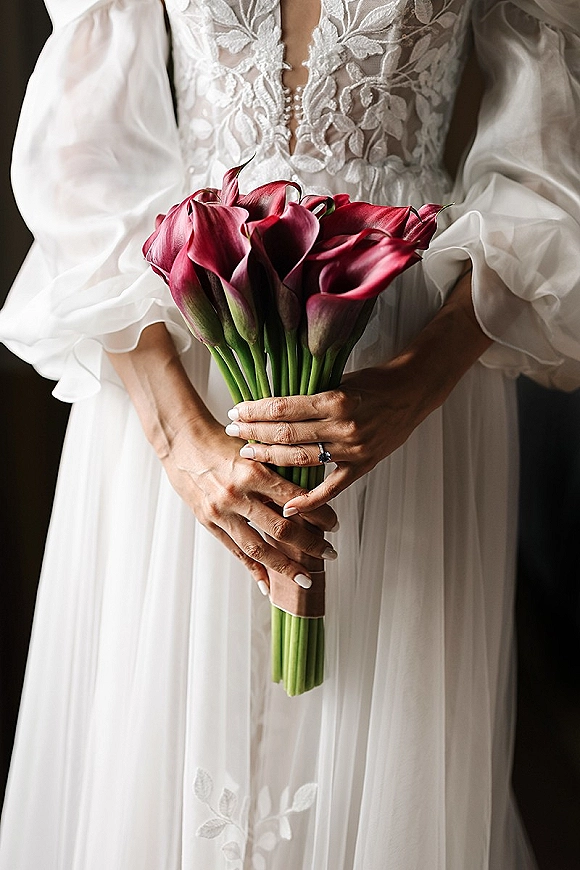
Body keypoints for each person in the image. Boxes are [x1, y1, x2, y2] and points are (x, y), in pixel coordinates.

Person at [0, 0, 579, 867]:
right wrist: (181, 443)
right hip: (180, 349)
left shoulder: (416, 382)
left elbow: (547, 159)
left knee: (380, 758)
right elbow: (85, 157)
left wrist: (418, 380)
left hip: (406, 367)